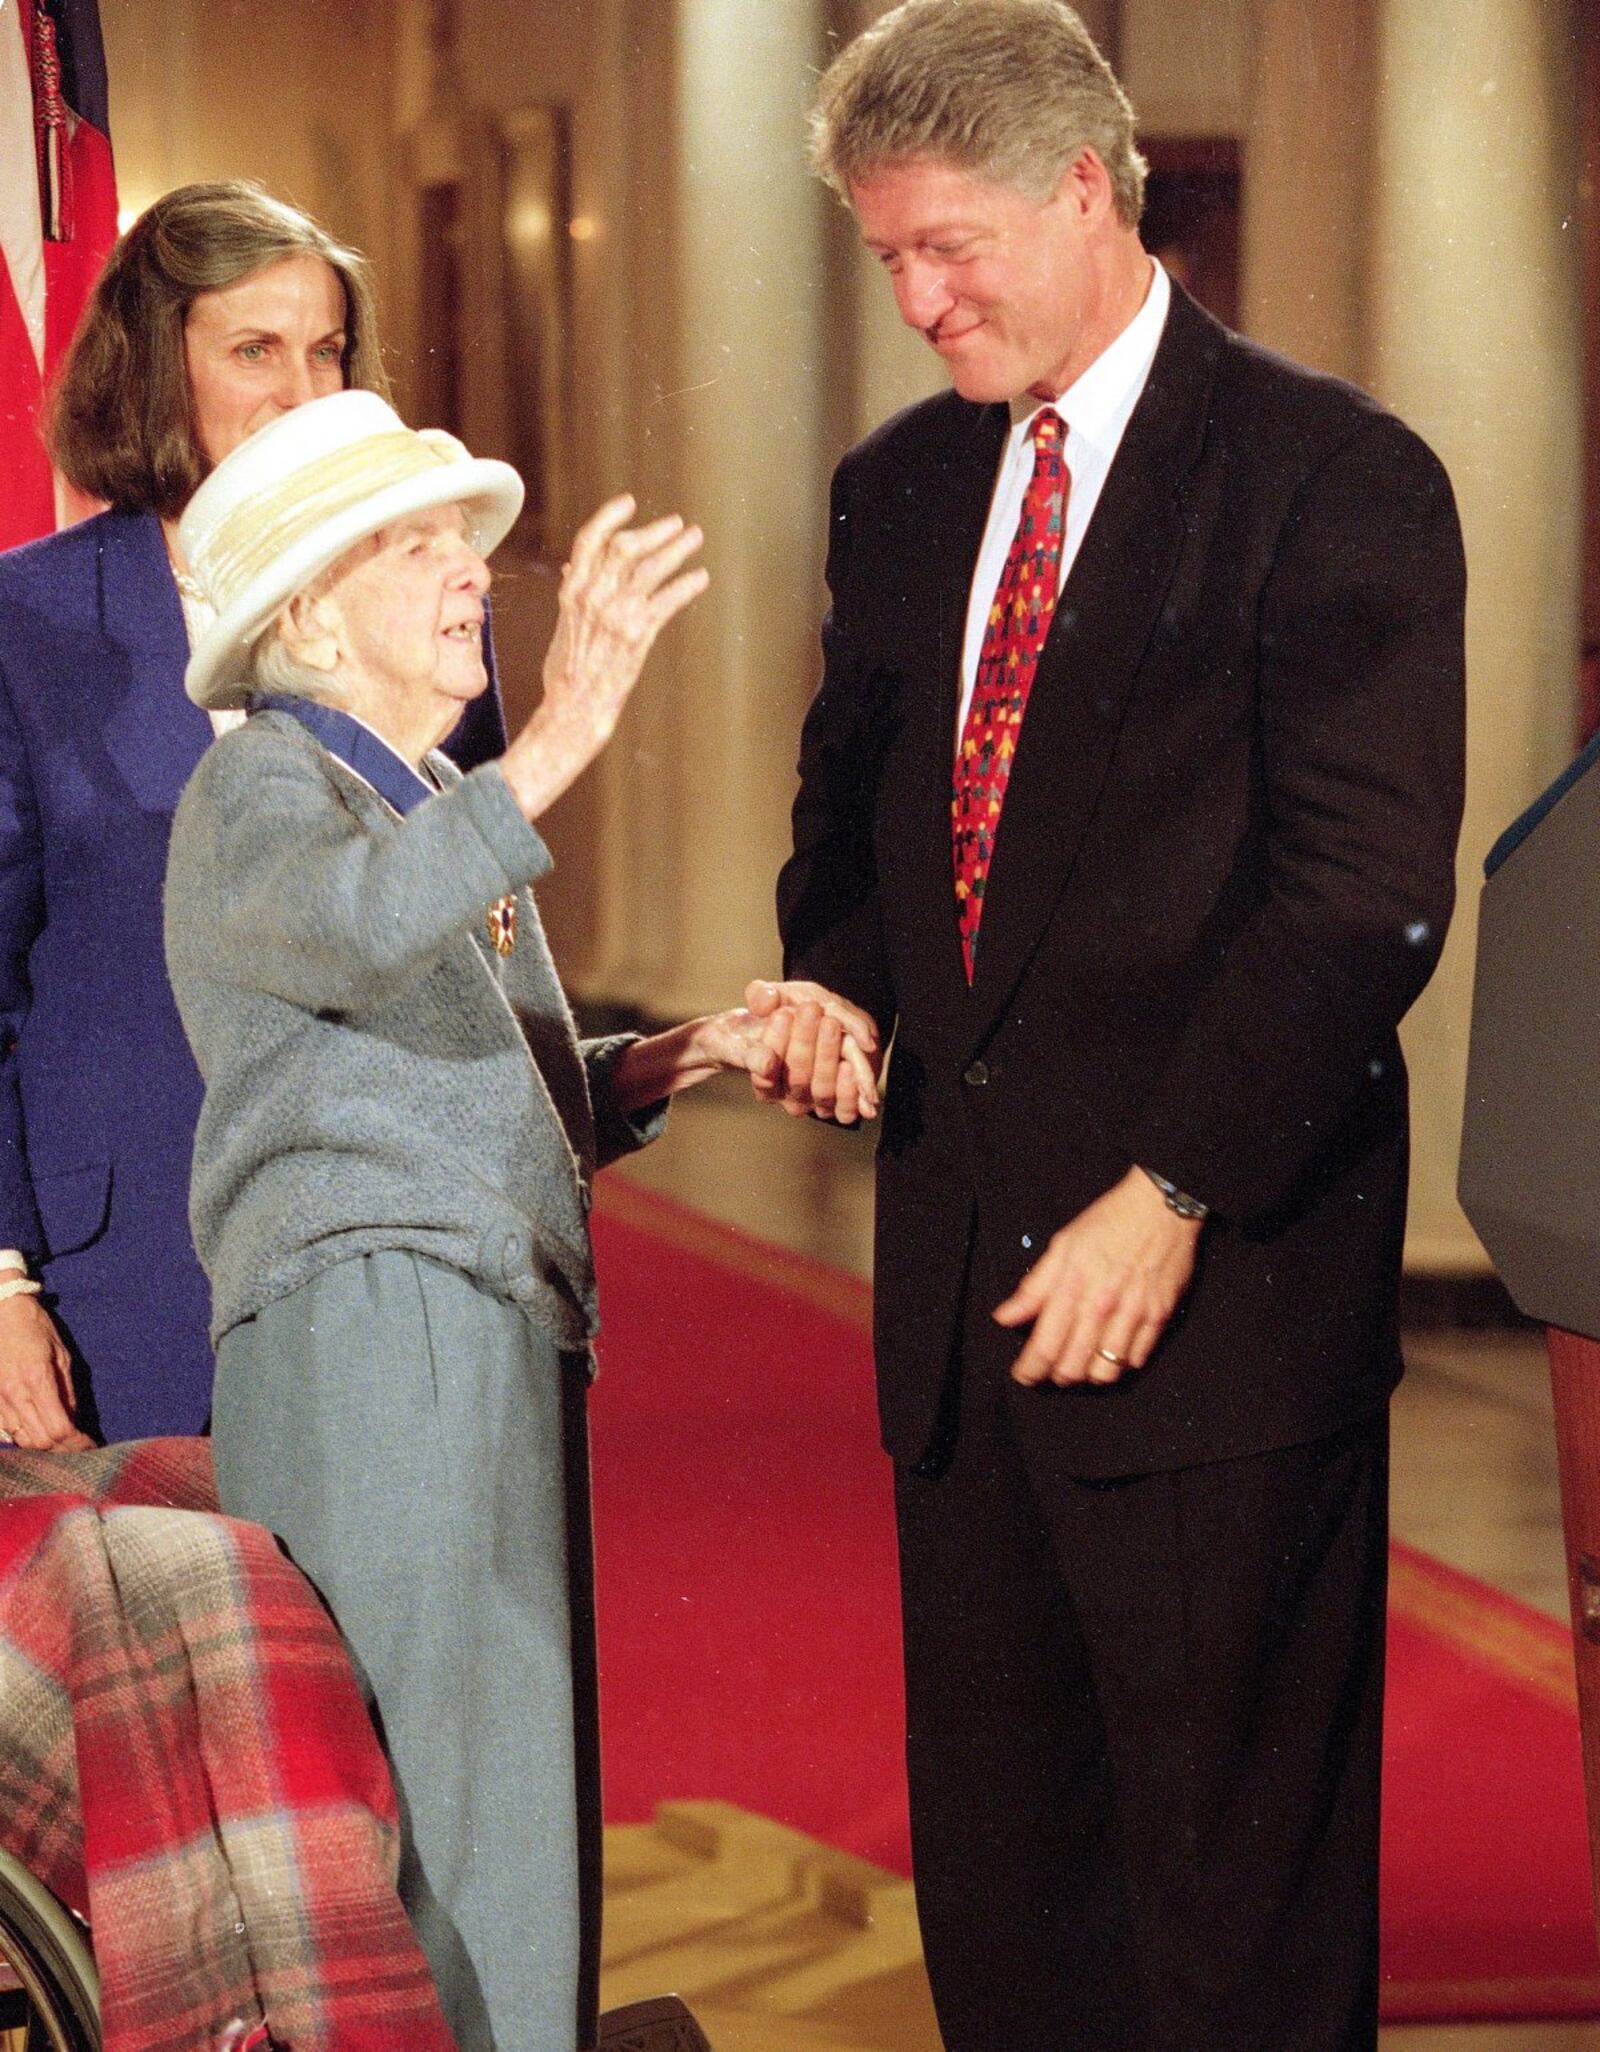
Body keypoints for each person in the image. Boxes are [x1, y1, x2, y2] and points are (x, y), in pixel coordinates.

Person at [772, 4, 1467, 2047]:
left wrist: (1171, 1187)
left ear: (1083, 189)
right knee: (1010, 1929)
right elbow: (848, 833)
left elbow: (1359, 894)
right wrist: (834, 981)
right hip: (964, 1338)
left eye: (948, 247)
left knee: (1230, 1940)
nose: (916, 300)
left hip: (1217, 1320)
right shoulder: (898, 489)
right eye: (885, 257)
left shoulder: (1329, 478)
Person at [162, 388, 876, 2052]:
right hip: (375, 1326)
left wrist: (693, 1051)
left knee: (505, 1811)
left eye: (464, 543)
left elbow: (489, 1081)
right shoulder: (264, 784)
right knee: (442, 1817)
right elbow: (359, 932)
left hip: (468, 1319)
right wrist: (557, 739)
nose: (470, 573)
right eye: (417, 546)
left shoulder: (411, 794)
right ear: (307, 614)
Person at [0, 181, 504, 1451]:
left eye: (326, 352)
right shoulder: (25, 625)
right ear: (153, 371)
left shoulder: (422, 595)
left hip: (398, 1261)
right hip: (125, 1278)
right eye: (254, 351)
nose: (301, 393)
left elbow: (476, 938)